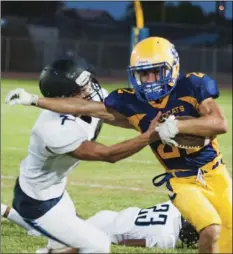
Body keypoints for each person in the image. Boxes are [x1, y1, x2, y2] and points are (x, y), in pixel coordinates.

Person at [5, 37, 232, 254]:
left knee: (228, 235)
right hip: (180, 180)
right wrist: (35, 100)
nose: (150, 80)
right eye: (144, 74)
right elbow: (94, 127)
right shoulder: (128, 104)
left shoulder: (192, 86)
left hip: (215, 172)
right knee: (210, 229)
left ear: (172, 68)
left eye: (156, 72)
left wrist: (178, 128)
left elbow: (219, 124)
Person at [4, 58, 162, 253]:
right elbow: (108, 154)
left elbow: (121, 116)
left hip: (56, 189)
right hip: (38, 201)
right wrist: (148, 137)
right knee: (99, 245)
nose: (90, 90)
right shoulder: (54, 129)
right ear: (65, 96)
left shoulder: (89, 100)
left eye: (88, 83)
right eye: (82, 88)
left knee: (67, 247)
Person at [1, 200, 199, 252]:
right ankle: (5, 210)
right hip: (106, 231)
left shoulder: (174, 210)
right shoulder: (168, 240)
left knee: (67, 220)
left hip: (110, 216)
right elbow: (132, 242)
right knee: (44, 231)